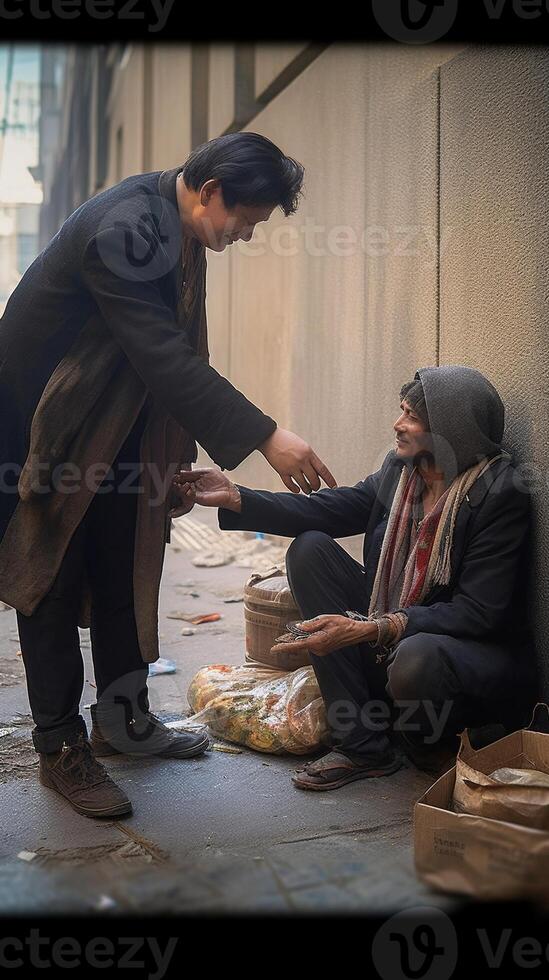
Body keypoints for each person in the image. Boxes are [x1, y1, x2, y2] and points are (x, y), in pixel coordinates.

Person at [0, 132, 336, 818]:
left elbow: (180, 346)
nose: (244, 235)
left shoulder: (180, 222)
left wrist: (173, 456)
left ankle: (123, 721)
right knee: (51, 579)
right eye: (244, 220)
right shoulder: (126, 229)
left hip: (113, 421)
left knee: (127, 557)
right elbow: (163, 356)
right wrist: (266, 435)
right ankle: (61, 748)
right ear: (210, 192)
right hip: (45, 427)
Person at [173, 365, 538, 790]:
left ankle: (425, 740)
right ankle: (362, 743)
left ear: (448, 433)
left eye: (411, 418)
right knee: (310, 548)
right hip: (394, 637)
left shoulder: (500, 493)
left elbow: (478, 613)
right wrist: (238, 497)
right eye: (400, 411)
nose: (397, 425)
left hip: (457, 656)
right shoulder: (403, 469)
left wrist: (373, 628)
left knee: (416, 656)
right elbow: (333, 508)